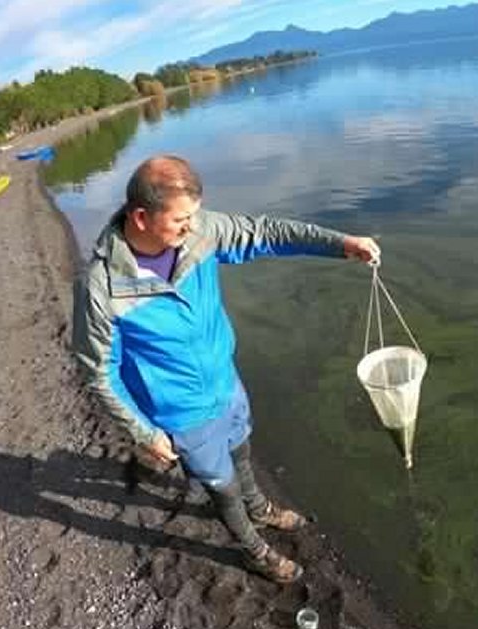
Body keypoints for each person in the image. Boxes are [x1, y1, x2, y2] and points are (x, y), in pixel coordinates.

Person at [71, 156, 380, 584]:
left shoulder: (200, 232)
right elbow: (100, 371)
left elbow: (266, 232)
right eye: (181, 219)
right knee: (221, 485)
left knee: (242, 450)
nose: (191, 226)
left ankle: (260, 508)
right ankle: (253, 549)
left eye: (195, 215)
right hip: (182, 412)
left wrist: (341, 243)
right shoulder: (100, 287)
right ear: (141, 217)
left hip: (226, 382)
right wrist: (144, 433)